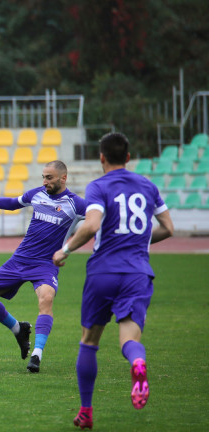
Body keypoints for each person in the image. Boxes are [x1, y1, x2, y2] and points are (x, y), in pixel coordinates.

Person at [53, 132, 174, 429]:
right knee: (129, 340)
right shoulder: (148, 186)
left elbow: (92, 224)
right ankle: (136, 363)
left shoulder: (98, 186)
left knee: (89, 341)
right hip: (137, 273)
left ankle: (86, 411)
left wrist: (65, 249)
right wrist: (139, 242)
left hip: (103, 272)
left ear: (102, 158)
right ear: (129, 157)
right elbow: (168, 228)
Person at [0, 160, 86, 373]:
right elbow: (13, 203)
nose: (45, 181)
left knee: (46, 298)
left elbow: (97, 221)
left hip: (45, 264)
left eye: (49, 178)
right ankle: (18, 329)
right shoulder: (37, 194)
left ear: (63, 178)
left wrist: (68, 248)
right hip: (19, 259)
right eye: (43, 177)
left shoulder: (76, 204)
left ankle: (36, 355)